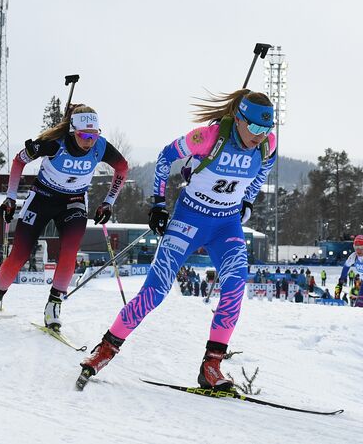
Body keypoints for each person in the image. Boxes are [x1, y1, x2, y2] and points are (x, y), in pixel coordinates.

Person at [79, 89, 277, 390]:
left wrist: (247, 200)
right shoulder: (207, 138)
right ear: (238, 118)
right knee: (155, 291)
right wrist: (158, 203)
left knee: (236, 285)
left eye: (267, 128)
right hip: (189, 220)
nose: (261, 135)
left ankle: (211, 365)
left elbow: (263, 170)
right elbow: (164, 158)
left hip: (227, 225)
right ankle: (104, 350)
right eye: (256, 127)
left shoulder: (267, 145)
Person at [0, 105, 129, 329]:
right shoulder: (54, 143)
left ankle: (54, 304)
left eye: (94, 134)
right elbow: (18, 161)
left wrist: (108, 201)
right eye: (84, 135)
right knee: (19, 253)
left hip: (74, 202)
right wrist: (10, 197)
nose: (90, 140)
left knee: (69, 252)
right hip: (42, 198)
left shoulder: (100, 147)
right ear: (73, 131)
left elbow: (122, 168)